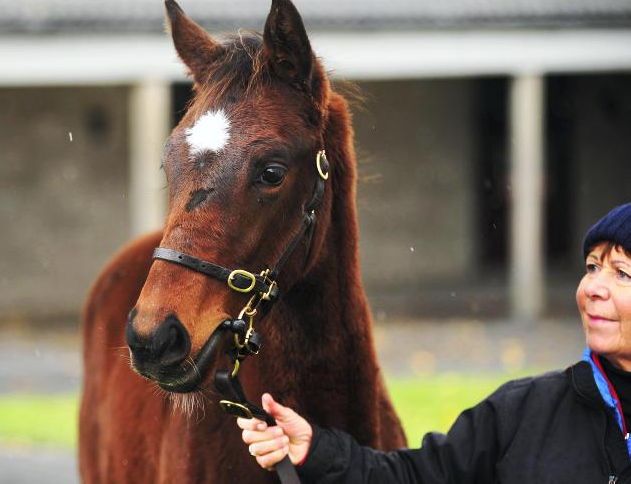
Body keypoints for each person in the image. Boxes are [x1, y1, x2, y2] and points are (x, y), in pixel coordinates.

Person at [238, 202, 631, 483]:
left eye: (621, 274)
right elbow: (415, 475)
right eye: (592, 267)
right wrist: (315, 450)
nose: (593, 287)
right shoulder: (521, 412)